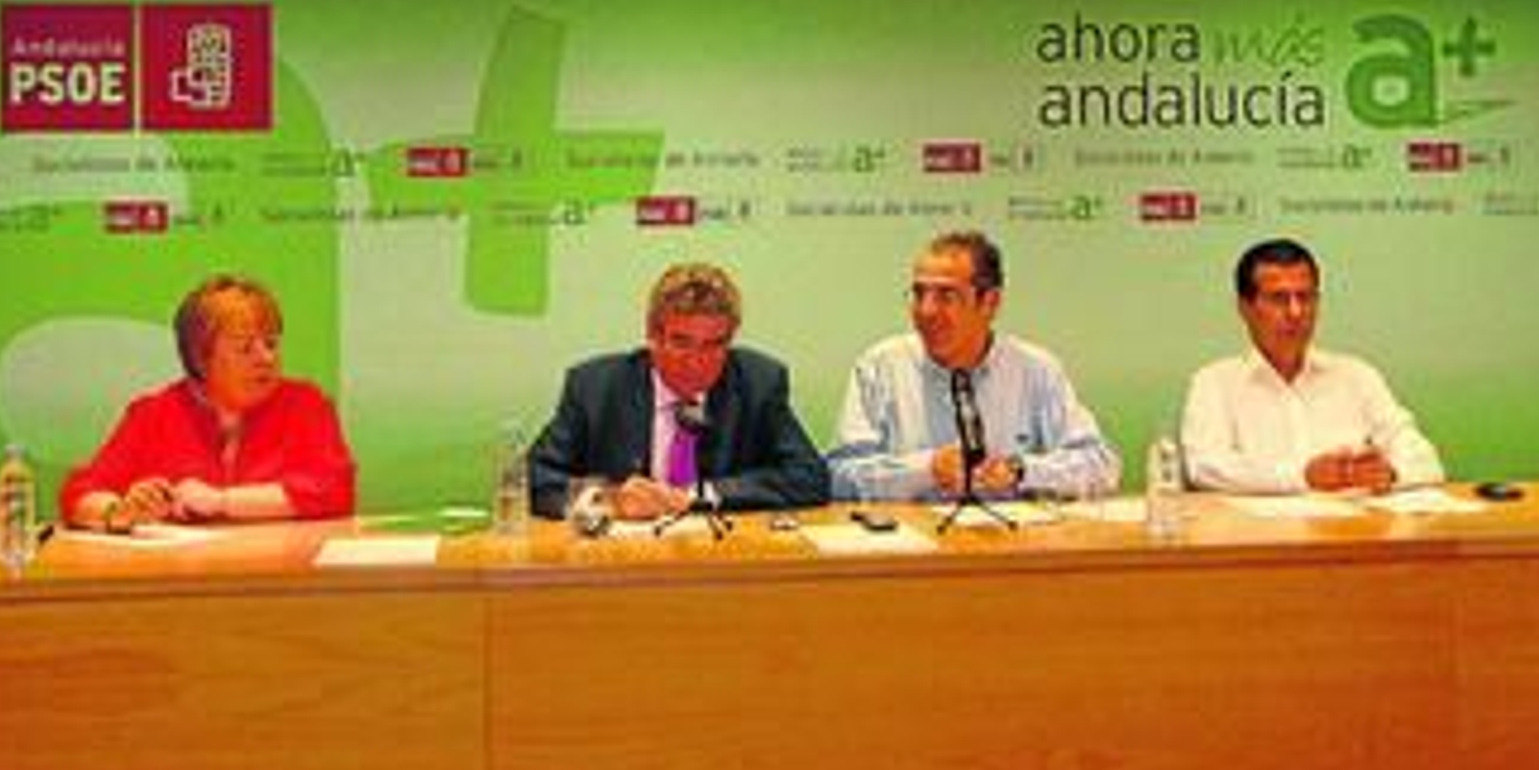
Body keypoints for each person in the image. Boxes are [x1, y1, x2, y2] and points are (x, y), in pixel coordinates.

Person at [829, 230, 1120, 503]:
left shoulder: (1036, 369)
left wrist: (1020, 470)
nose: (926, 311)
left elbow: (1100, 464)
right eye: (919, 294)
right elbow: (839, 477)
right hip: (913, 548)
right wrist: (925, 470)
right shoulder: (880, 367)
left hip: (1009, 547)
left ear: (990, 303)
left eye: (946, 296)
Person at [529, 262, 828, 520]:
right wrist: (609, 498)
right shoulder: (596, 387)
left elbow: (809, 478)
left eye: (713, 346)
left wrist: (704, 495)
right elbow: (533, 479)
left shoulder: (758, 383)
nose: (696, 362)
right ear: (652, 335)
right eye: (682, 343)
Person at [59, 274, 356, 530]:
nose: (266, 358)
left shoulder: (305, 404)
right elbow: (79, 494)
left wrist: (221, 502)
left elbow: (334, 489)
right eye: (245, 347)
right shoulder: (153, 414)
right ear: (201, 358)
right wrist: (120, 511)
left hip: (284, 581)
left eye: (271, 343)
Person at [1181, 238, 1444, 494]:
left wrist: (1390, 472)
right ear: (1245, 308)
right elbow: (1205, 467)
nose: (1296, 312)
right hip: (1260, 535)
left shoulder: (1357, 376)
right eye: (1279, 299)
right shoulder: (1214, 383)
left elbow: (1424, 458)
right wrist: (1302, 476)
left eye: (1305, 297)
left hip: (1351, 533)